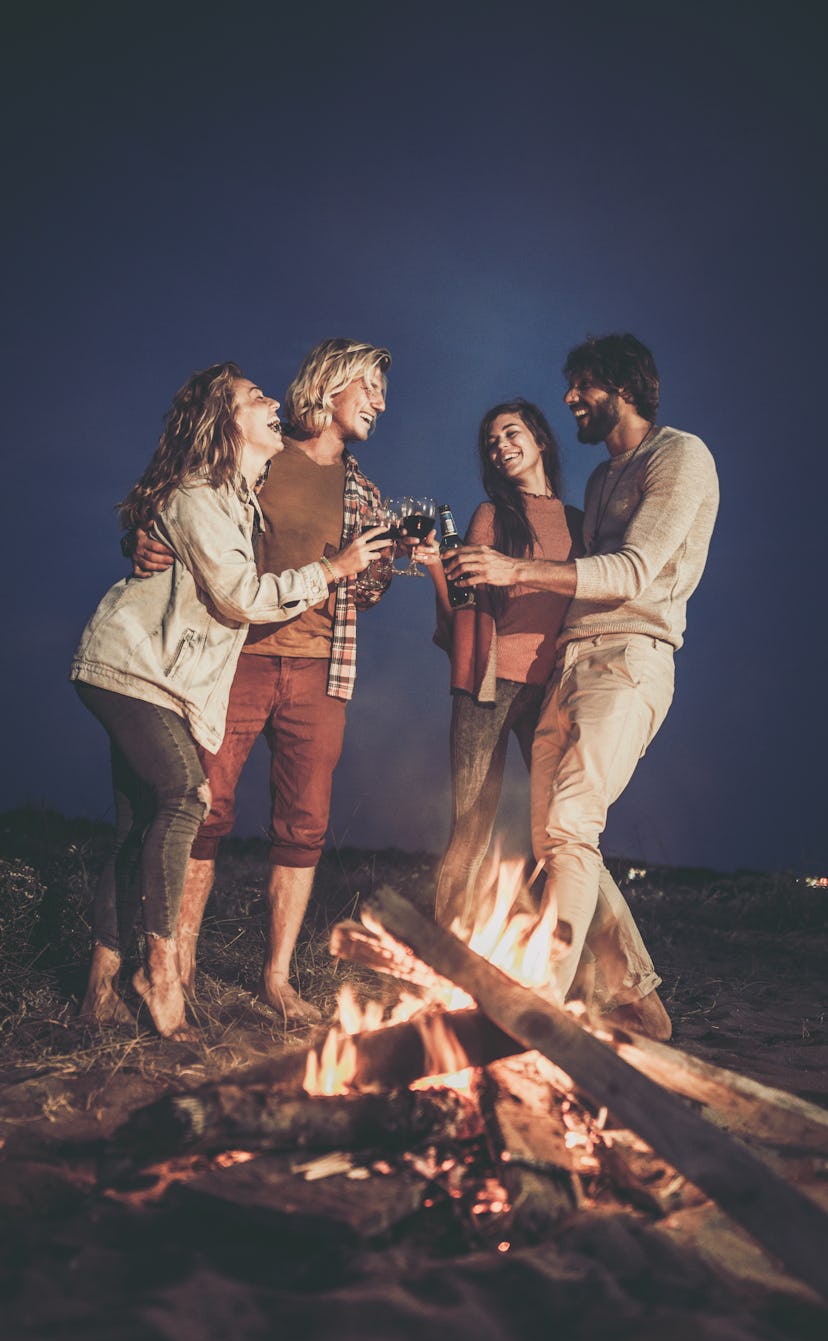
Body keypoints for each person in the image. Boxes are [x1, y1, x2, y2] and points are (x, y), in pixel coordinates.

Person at [71, 362, 389, 1037]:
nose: (381, 402)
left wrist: (382, 563)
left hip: (283, 667)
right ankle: (168, 971)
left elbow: (361, 585)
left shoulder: (336, 488)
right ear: (328, 384)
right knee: (194, 802)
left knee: (167, 825)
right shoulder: (237, 476)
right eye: (369, 385)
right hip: (190, 665)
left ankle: (124, 987)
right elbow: (205, 545)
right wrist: (142, 536)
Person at [444, 335, 719, 1040]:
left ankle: (540, 999)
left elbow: (631, 572)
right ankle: (633, 996)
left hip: (628, 658)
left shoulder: (680, 457)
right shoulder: (600, 482)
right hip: (567, 665)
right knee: (555, 841)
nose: (570, 399)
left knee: (570, 826)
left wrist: (515, 571)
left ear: (623, 387)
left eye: (583, 385)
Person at [426, 400, 582, 931]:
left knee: (560, 830)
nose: (501, 447)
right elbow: (463, 612)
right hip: (487, 688)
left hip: (552, 691)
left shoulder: (580, 525)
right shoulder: (491, 516)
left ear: (540, 440)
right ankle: (447, 952)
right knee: (471, 830)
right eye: (491, 443)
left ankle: (560, 949)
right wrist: (435, 568)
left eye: (511, 434)